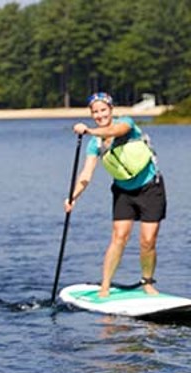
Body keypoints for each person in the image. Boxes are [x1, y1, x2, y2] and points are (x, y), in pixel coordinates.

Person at [64, 91, 166, 298]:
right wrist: (73, 197)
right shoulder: (95, 145)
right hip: (123, 192)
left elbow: (118, 129)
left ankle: (147, 282)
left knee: (148, 240)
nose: (100, 115)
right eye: (95, 112)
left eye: (103, 110)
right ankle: (105, 285)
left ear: (111, 110)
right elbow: (86, 174)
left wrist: (89, 131)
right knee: (119, 236)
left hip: (150, 188)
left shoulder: (126, 124)